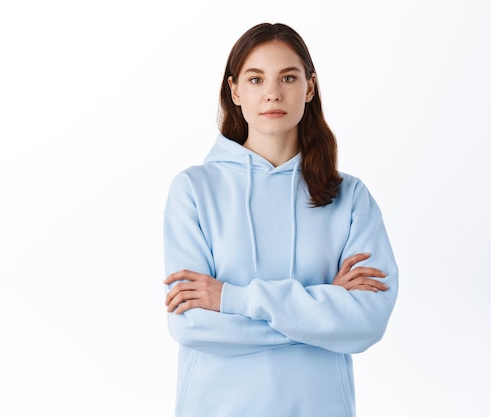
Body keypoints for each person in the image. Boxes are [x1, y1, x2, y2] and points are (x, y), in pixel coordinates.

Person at [162, 22, 398, 417]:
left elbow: (367, 321)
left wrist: (231, 299)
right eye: (256, 79)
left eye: (288, 77)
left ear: (309, 87)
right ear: (235, 90)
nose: (272, 92)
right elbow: (190, 324)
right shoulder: (195, 189)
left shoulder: (349, 196)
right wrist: (322, 316)